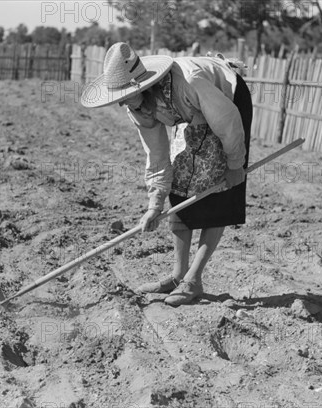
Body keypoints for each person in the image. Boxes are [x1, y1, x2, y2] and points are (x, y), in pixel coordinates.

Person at [80, 42, 252, 306]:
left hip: (227, 102)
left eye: (124, 95)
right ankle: (177, 275)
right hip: (193, 115)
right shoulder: (137, 106)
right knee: (180, 184)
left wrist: (234, 164)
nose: (121, 103)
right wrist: (154, 204)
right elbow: (157, 155)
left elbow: (227, 121)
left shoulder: (189, 82)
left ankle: (193, 280)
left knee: (218, 187)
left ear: (143, 86)